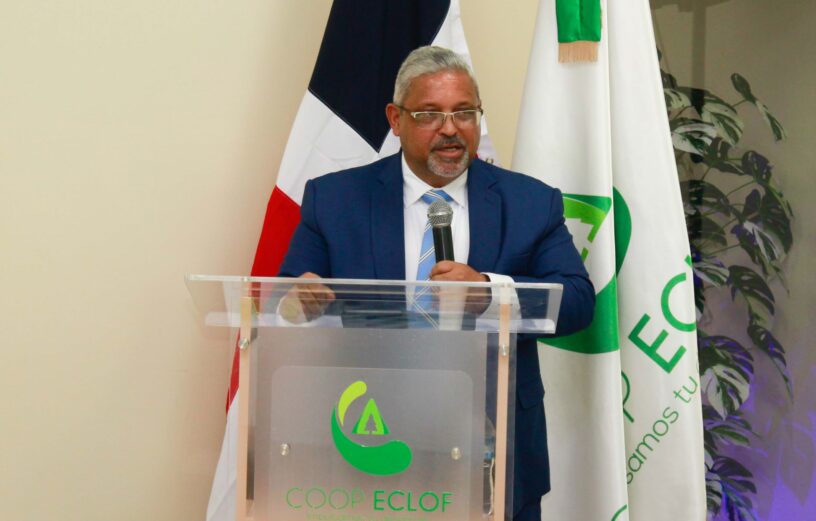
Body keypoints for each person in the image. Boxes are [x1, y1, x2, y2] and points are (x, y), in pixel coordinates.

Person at [278, 45, 594, 521]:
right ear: (396, 119)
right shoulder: (336, 199)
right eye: (430, 114)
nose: (450, 128)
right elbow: (285, 298)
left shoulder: (530, 202)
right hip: (367, 436)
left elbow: (578, 303)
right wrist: (296, 300)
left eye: (464, 113)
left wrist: (488, 293)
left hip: (493, 444)